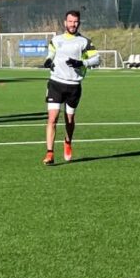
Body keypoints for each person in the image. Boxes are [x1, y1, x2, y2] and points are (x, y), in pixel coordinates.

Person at [42, 10, 100, 165]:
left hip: (74, 86)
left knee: (69, 119)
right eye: (70, 21)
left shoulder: (84, 42)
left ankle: (68, 142)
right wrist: (48, 60)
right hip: (56, 83)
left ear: (79, 23)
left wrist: (81, 63)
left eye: (75, 22)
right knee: (52, 118)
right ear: (65, 22)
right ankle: (49, 153)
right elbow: (51, 54)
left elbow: (97, 59)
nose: (73, 24)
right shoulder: (56, 40)